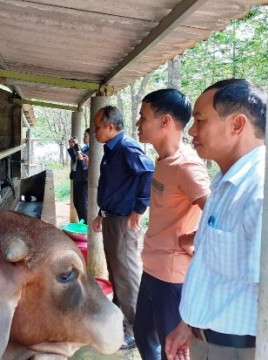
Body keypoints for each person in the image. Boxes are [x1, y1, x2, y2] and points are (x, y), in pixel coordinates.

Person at [165, 79, 266, 360]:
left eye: (199, 120)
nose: (192, 131)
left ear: (237, 125)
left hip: (241, 350)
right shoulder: (225, 182)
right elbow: (212, 271)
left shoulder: (259, 191)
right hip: (209, 341)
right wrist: (188, 325)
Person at [133, 89, 211, 360]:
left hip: (172, 276)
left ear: (165, 122)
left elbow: (215, 213)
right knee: (143, 336)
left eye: (143, 117)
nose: (138, 123)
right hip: (152, 267)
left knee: (171, 349)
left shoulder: (187, 166)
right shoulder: (163, 159)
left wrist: (193, 240)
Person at [92, 106, 154, 349]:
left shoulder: (127, 148)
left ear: (110, 126)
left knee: (126, 276)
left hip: (123, 222)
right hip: (111, 217)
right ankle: (122, 323)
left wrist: (139, 209)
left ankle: (137, 331)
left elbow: (148, 171)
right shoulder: (112, 149)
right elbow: (113, 186)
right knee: (116, 272)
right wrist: (100, 213)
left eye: (97, 127)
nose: (95, 131)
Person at [67, 129, 90, 223]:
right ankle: (82, 223)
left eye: (86, 135)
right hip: (77, 177)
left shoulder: (92, 150)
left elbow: (82, 161)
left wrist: (76, 146)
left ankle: (86, 226)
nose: (84, 137)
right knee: (77, 203)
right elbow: (75, 159)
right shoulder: (85, 148)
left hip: (84, 179)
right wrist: (72, 147)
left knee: (83, 205)